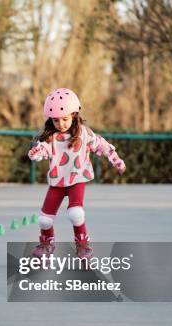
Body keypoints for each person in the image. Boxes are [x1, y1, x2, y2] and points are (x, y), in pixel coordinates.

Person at [28, 88, 126, 259]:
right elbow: (42, 150)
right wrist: (36, 153)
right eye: (56, 121)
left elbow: (101, 145)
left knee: (76, 213)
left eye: (65, 119)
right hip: (57, 182)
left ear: (73, 114)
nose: (61, 124)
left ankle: (82, 245)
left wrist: (116, 160)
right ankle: (46, 245)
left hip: (77, 179)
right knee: (44, 220)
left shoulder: (84, 133)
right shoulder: (50, 138)